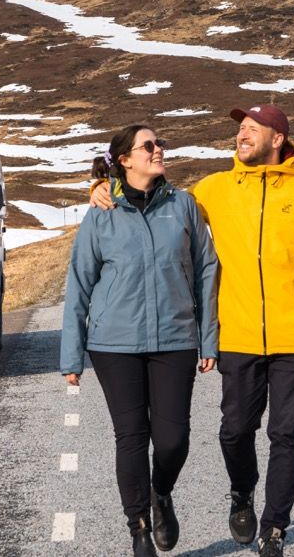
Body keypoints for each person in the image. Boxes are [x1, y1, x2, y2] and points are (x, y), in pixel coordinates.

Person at [93, 105, 294, 557]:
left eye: (253, 129)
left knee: (286, 434)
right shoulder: (213, 189)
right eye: (240, 130)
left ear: (279, 139)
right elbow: (155, 201)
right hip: (236, 335)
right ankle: (241, 493)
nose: (242, 135)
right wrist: (103, 186)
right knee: (235, 431)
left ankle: (274, 531)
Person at [62, 125, 220, 557]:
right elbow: (79, 283)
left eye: (160, 144)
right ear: (125, 160)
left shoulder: (183, 205)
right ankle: (138, 528)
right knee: (131, 437)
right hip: (114, 343)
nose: (159, 150)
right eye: (149, 146)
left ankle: (161, 492)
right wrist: (71, 354)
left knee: (173, 439)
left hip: (175, 338)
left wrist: (209, 339)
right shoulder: (102, 211)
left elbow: (206, 271)